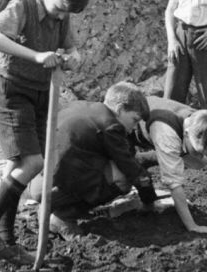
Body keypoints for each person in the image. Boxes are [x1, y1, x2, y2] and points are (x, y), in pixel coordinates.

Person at [0, 0, 92, 266]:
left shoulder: (61, 16)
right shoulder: (23, 7)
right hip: (11, 91)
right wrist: (36, 55)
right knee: (33, 162)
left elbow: (71, 47)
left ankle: (5, 240)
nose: (62, 16)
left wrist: (74, 57)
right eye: (60, 8)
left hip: (39, 94)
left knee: (18, 165)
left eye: (67, 14)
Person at [28, 82, 158, 240]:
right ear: (120, 109)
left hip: (37, 181)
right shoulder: (111, 126)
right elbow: (131, 169)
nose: (134, 127)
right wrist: (149, 201)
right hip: (53, 189)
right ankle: (63, 216)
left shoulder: (81, 106)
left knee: (107, 169)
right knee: (122, 179)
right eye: (134, 120)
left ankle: (52, 209)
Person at [131, 96, 207, 234]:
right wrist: (193, 226)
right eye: (198, 152)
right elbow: (174, 184)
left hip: (168, 139)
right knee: (128, 174)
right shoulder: (167, 134)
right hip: (131, 130)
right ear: (187, 133)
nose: (202, 158)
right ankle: (140, 166)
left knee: (186, 158)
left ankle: (143, 160)